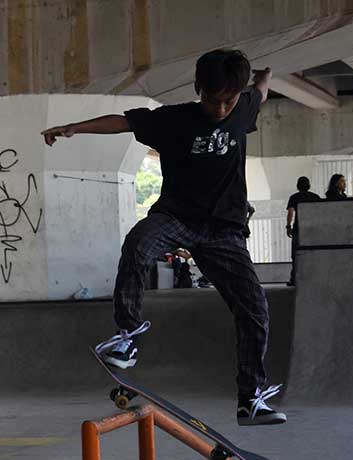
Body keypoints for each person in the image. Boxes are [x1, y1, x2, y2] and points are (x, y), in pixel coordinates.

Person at [41, 49, 286, 426]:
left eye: (228, 101)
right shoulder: (175, 119)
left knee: (255, 309)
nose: (220, 109)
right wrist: (74, 127)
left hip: (225, 230)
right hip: (177, 216)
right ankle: (127, 337)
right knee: (138, 243)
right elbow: (122, 122)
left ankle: (250, 398)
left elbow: (261, 91)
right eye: (212, 99)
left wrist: (265, 75)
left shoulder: (245, 105)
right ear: (197, 88)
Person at [285, 177, 321, 286]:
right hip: (312, 229)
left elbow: (290, 212)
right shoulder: (315, 197)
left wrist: (288, 226)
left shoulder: (294, 197)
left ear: (298, 185)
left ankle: (294, 279)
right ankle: (312, 277)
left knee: (296, 254)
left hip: (298, 229)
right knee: (312, 253)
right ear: (309, 185)